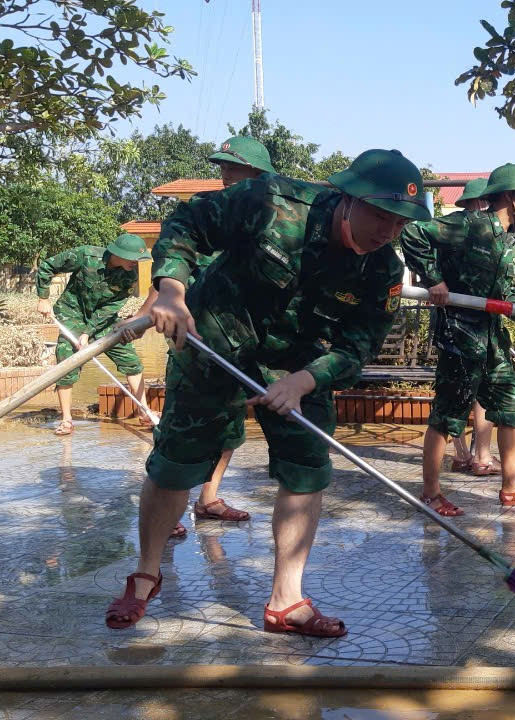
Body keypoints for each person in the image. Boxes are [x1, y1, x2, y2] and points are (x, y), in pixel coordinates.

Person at [104, 149, 428, 637]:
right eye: (380, 215)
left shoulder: (381, 270)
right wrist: (171, 288)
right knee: (177, 463)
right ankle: (147, 574)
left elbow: (356, 346)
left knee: (308, 469)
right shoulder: (272, 201)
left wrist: (304, 381)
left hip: (300, 364)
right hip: (213, 341)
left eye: (400, 222)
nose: (388, 230)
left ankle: (286, 600)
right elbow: (188, 223)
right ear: (346, 199)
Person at [399, 163, 515, 518]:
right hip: (459, 333)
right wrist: (434, 279)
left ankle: (512, 486)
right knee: (448, 416)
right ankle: (430, 493)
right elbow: (413, 233)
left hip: (491, 335)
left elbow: (511, 295)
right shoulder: (469, 225)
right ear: (506, 196)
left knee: (511, 406)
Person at [177, 135, 279, 533]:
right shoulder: (209, 214)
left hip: (245, 343)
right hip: (201, 339)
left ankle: (208, 499)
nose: (224, 176)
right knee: (182, 434)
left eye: (232, 169)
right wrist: (155, 308)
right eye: (221, 168)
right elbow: (174, 264)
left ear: (258, 175)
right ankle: (168, 509)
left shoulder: (273, 221)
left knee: (231, 429)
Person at [36, 234, 155, 436]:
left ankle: (143, 410)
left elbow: (111, 307)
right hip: (72, 315)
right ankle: (66, 420)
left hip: (103, 321)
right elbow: (47, 266)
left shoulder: (129, 276)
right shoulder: (85, 255)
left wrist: (88, 333)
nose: (136, 263)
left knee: (130, 360)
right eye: (132, 258)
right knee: (66, 364)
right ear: (118, 254)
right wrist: (43, 298)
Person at [440, 179, 497, 477]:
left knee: (462, 388)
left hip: (459, 321)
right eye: (485, 205)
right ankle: (477, 455)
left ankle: (467, 454)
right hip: (464, 323)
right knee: (473, 389)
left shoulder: (452, 231)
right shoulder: (469, 232)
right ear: (477, 204)